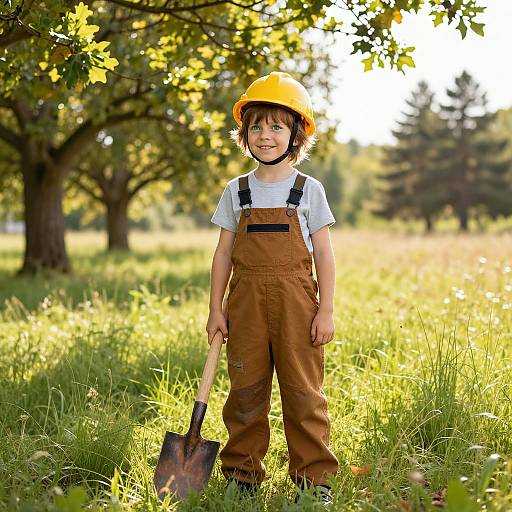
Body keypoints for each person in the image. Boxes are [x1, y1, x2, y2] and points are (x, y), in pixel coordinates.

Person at [206, 71, 339, 506]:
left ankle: (313, 479)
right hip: (244, 307)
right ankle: (242, 475)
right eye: (257, 125)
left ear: (296, 134)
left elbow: (324, 254)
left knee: (303, 392)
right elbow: (223, 254)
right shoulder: (237, 191)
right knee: (245, 390)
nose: (266, 134)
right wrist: (215, 308)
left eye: (277, 125)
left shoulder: (308, 190)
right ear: (245, 133)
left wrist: (326, 311)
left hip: (298, 305)